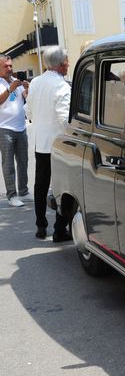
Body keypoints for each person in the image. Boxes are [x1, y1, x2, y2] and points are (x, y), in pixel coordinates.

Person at [24, 46, 72, 241]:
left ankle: (40, 225)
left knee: (40, 185)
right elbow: (65, 118)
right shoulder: (62, 85)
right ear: (61, 64)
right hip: (59, 144)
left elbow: (28, 110)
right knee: (64, 187)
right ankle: (60, 230)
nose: (68, 64)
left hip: (41, 142)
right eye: (67, 60)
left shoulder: (35, 82)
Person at [0, 54, 31, 207]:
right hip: (4, 128)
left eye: (11, 66)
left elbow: (24, 99)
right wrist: (9, 89)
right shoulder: (4, 84)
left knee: (23, 161)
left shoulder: (15, 82)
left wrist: (27, 90)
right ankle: (12, 195)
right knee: (8, 164)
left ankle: (24, 192)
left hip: (21, 127)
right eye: (6, 66)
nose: (10, 69)